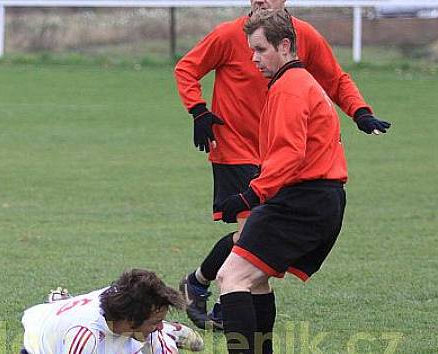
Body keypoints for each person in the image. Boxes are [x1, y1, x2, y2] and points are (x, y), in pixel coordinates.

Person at [174, 0, 390, 329]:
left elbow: (334, 79)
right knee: (248, 255)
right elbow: (186, 68)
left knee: (244, 263)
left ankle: (209, 288)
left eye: (259, 51)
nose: (254, 58)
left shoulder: (296, 62)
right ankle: (228, 302)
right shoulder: (231, 35)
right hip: (236, 151)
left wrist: (359, 111)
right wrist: (198, 110)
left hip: (282, 168)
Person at [215, 9, 348, 354]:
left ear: (285, 45)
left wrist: (249, 196)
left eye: (260, 49)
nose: (253, 58)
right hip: (313, 199)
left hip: (304, 201)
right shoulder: (296, 83)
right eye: (251, 50)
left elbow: (290, 155)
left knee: (231, 277)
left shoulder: (290, 88)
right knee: (255, 282)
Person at [20, 269, 204, 354]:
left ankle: (170, 331)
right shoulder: (84, 337)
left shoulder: (124, 300)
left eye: (160, 321)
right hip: (42, 339)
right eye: (157, 322)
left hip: (118, 328)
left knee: (191, 344)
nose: (157, 327)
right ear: (131, 320)